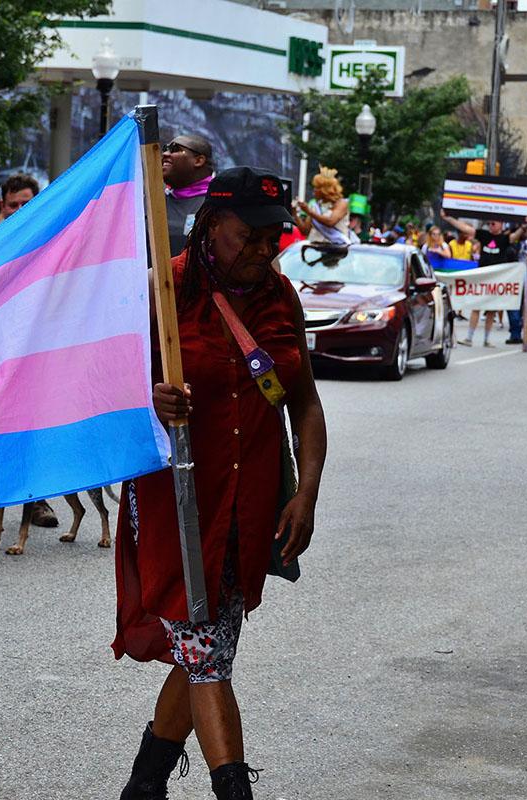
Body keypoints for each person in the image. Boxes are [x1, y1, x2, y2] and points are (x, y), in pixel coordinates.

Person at [114, 167, 326, 800]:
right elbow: (100, 395)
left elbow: (306, 403)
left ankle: (145, 784)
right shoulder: (160, 291)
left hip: (251, 504)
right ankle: (234, 789)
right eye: (250, 236)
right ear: (209, 225)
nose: (264, 250)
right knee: (205, 649)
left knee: (209, 646)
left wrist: (306, 492)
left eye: (273, 237)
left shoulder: (280, 296)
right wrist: (150, 400)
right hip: (173, 501)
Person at [0, 171, 58, 530]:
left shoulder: (53, 244)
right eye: (14, 204)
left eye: (27, 203)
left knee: (31, 423)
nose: (20, 209)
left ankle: (35, 500)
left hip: (37, 348)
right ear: (2, 207)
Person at [442, 213, 527, 347]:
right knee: (477, 307)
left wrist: (523, 226)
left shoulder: (504, 239)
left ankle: (486, 339)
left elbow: (515, 236)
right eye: (491, 222)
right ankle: (469, 338)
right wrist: (449, 218)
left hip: (496, 279)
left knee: (492, 310)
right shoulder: (483, 235)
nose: (492, 224)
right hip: (482, 278)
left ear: (501, 224)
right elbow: (465, 229)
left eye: (496, 222)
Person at [161, 133, 214, 257]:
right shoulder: (150, 202)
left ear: (198, 160)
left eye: (175, 149)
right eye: (165, 149)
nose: (165, 154)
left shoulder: (217, 204)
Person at [291, 167, 351, 246]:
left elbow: (331, 221)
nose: (314, 191)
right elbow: (305, 231)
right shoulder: (315, 206)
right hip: (315, 249)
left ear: (324, 190)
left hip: (337, 248)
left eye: (316, 188)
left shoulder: (342, 204)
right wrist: (295, 214)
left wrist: (309, 211)